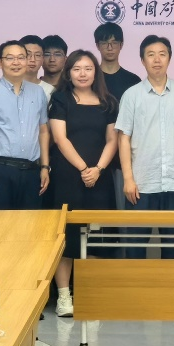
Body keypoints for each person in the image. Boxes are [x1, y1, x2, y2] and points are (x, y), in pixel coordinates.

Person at [117, 35, 174, 258]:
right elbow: (123, 138)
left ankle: (171, 284)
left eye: (162, 54)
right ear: (142, 60)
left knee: (173, 246)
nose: (157, 60)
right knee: (135, 246)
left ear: (169, 58)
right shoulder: (131, 95)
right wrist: (128, 179)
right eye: (151, 55)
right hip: (141, 183)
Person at [48, 50, 119, 317]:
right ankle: (64, 297)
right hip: (68, 177)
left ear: (95, 72)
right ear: (68, 73)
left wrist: (98, 169)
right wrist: (83, 169)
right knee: (67, 238)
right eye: (76, 68)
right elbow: (60, 138)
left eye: (88, 68)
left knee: (98, 238)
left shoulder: (108, 102)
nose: (82, 73)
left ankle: (90, 294)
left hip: (100, 177)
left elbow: (112, 140)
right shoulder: (60, 99)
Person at [0, 40, 50, 210]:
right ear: (0, 62)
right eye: (10, 58)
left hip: (31, 171)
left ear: (27, 61)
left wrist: (44, 166)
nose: (16, 62)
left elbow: (43, 131)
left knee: (30, 224)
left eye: (21, 57)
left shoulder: (38, 92)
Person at [95, 23, 141, 100]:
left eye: (114, 43)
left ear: (121, 45)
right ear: (97, 46)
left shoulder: (133, 80)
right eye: (104, 43)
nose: (110, 48)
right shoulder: (91, 78)